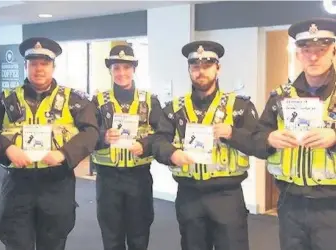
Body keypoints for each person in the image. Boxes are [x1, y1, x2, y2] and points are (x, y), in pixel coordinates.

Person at [0, 37, 99, 250]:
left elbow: (91, 133)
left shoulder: (74, 99)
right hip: (18, 183)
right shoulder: (6, 99)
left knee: (53, 243)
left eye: (44, 63)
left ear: (53, 66)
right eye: (33, 63)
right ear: (25, 66)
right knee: (16, 242)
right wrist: (8, 147)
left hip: (56, 183)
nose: (39, 69)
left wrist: (64, 153)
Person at [152, 40, 259, 250]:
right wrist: (172, 154)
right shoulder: (174, 109)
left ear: (218, 68)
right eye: (195, 67)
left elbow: (259, 143)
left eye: (207, 66)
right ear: (189, 70)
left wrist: (232, 133)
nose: (201, 72)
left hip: (227, 195)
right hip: (189, 194)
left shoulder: (239, 106)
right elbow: (157, 140)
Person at [252, 18, 336, 250]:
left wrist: (334, 138)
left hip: (332, 205)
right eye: (306, 50)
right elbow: (256, 138)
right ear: (297, 54)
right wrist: (269, 139)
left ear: (333, 51)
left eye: (321, 50)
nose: (313, 57)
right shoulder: (280, 95)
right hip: (290, 202)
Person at [91, 45, 162, 250]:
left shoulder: (150, 101)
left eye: (126, 67)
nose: (121, 73)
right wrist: (103, 138)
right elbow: (86, 135)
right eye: (116, 68)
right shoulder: (97, 101)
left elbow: (163, 135)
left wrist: (145, 145)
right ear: (110, 70)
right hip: (108, 178)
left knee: (139, 235)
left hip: (138, 176)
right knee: (111, 236)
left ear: (134, 69)